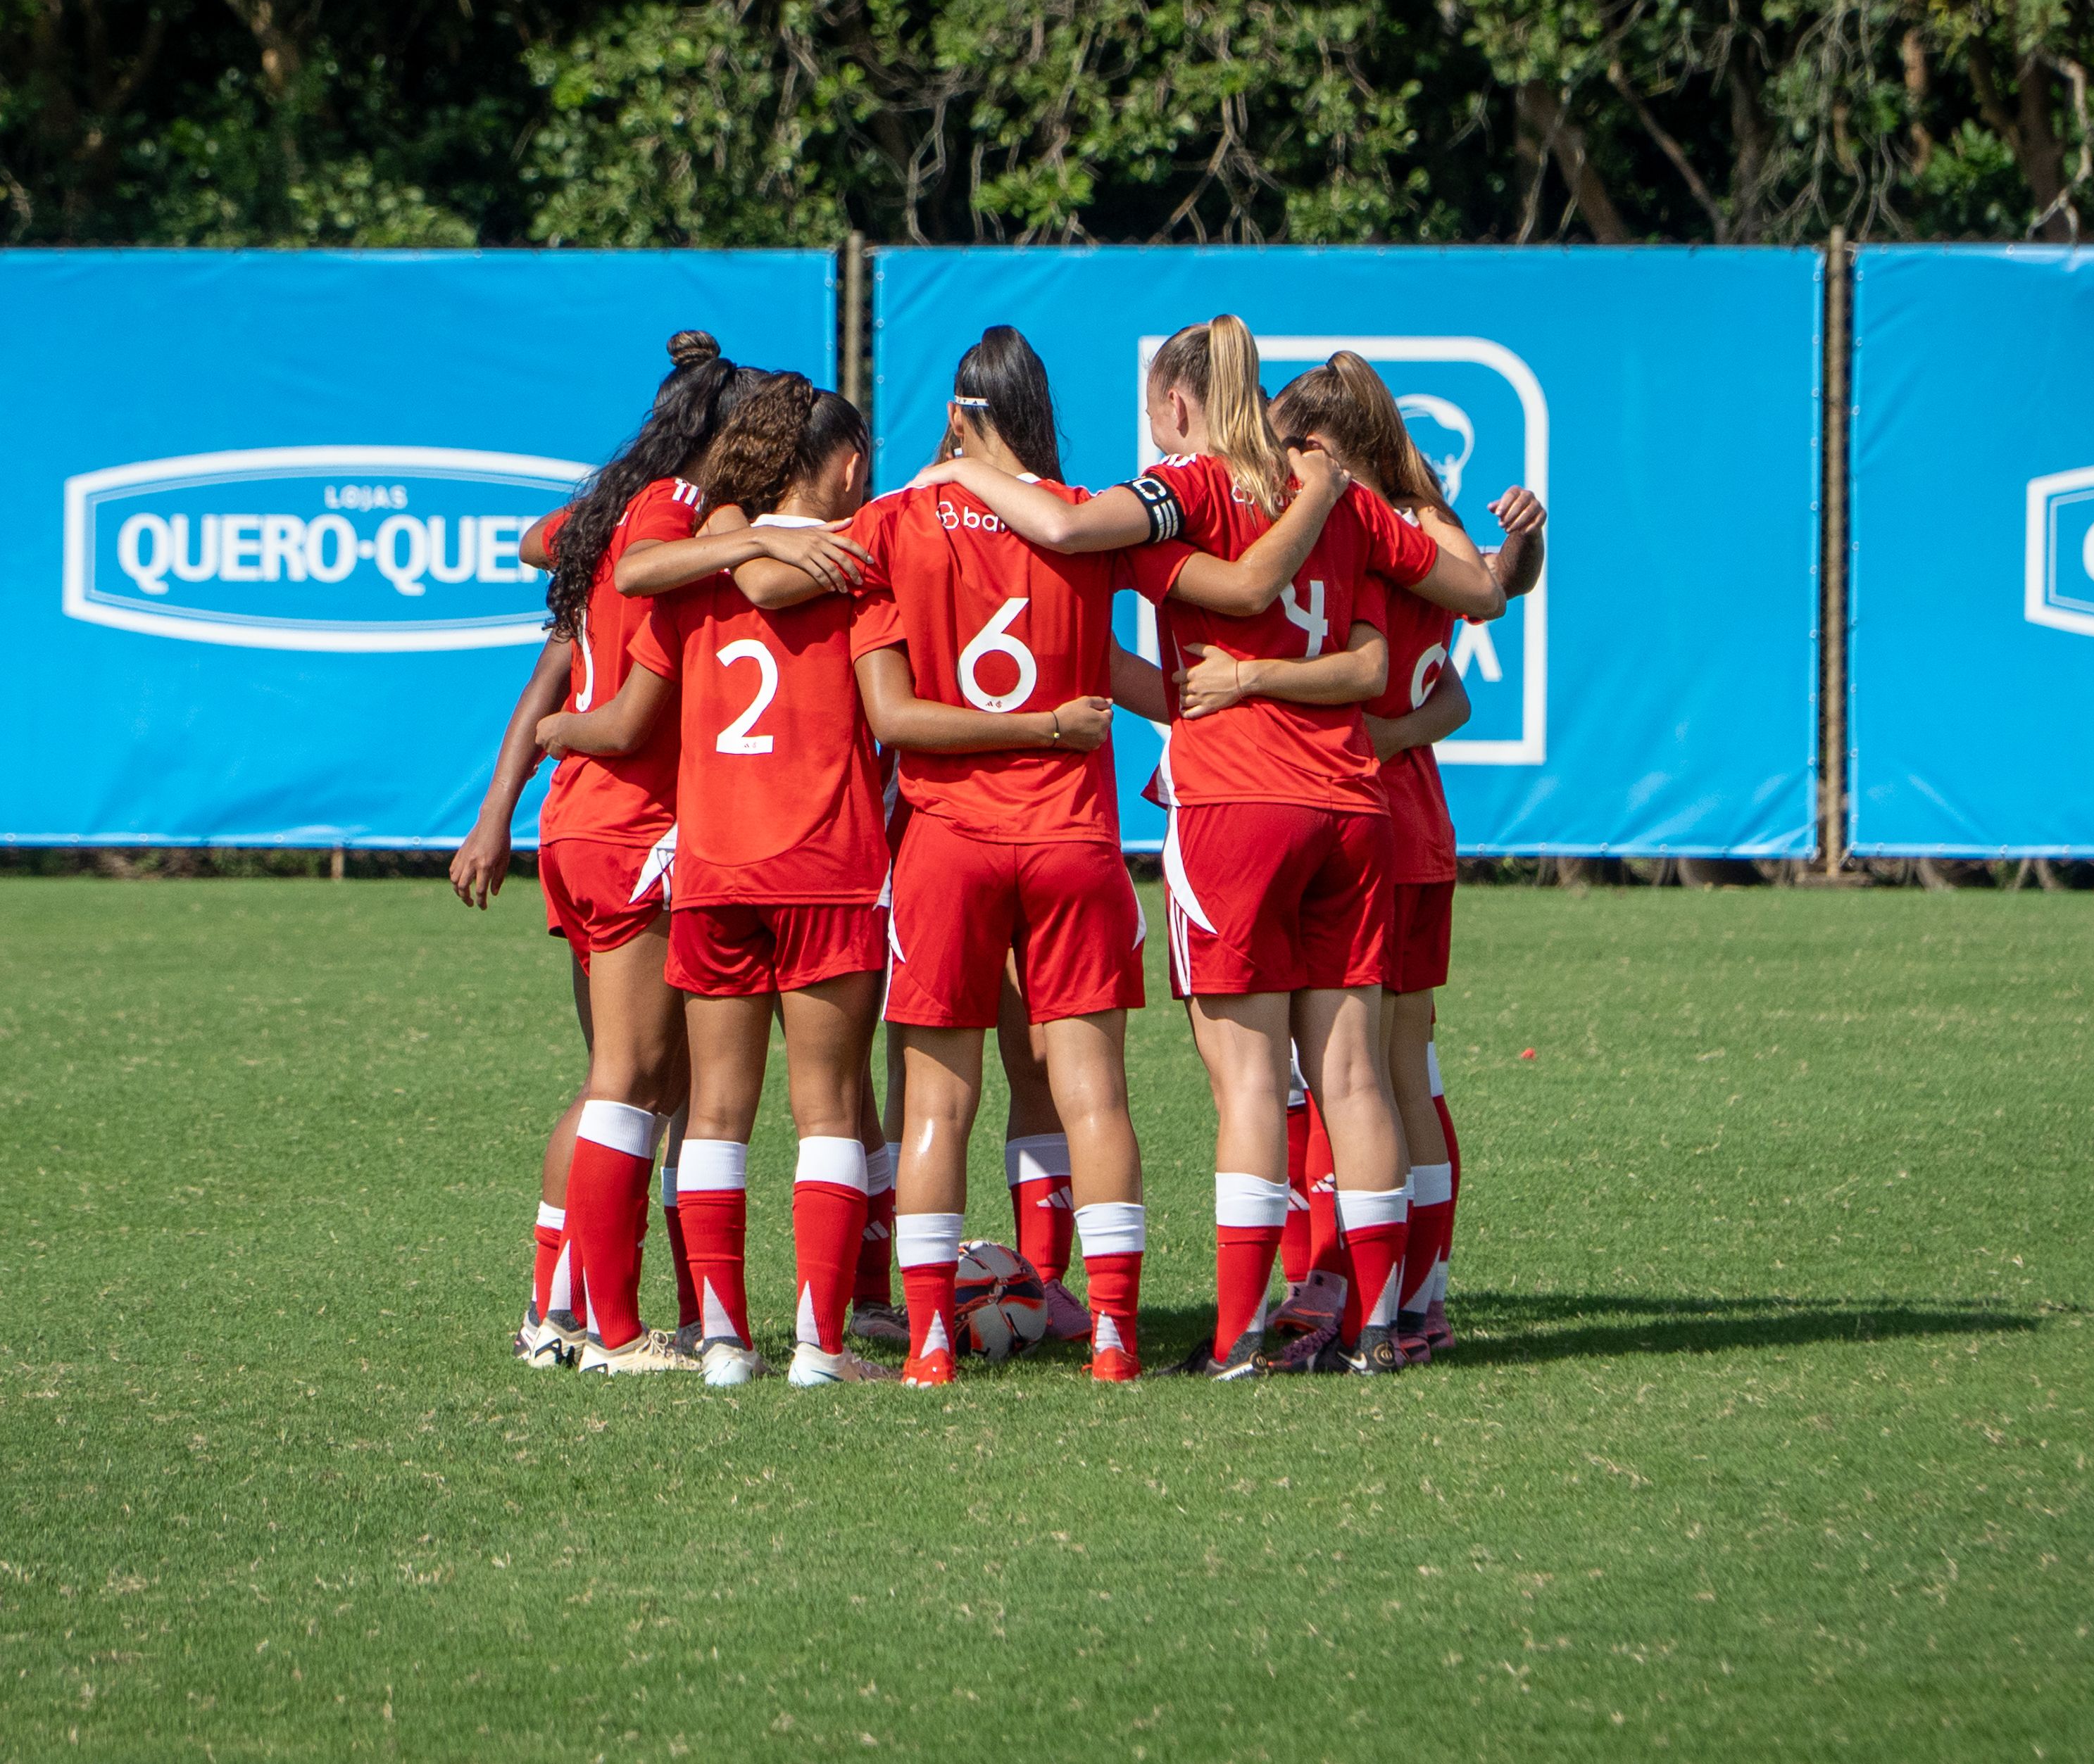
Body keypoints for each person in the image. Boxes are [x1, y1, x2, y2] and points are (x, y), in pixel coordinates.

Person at [737, 324, 1341, 1382]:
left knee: (938, 1104)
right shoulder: (1082, 520)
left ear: (958, 416)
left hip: (947, 843)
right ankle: (1110, 1335)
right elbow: (1226, 594)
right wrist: (1204, 697)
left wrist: (750, 532)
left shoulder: (897, 519)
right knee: (1093, 1094)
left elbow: (774, 591)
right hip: (1072, 840)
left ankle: (928, 1343)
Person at [910, 314, 1500, 1377]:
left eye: (1154, 415)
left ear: (1178, 406)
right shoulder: (1346, 496)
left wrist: (962, 471)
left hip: (1238, 804)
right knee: (1355, 1079)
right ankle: (1374, 1330)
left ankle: (1239, 1335)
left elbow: (1074, 533)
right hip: (1354, 806)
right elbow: (1477, 593)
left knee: (1248, 1085)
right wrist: (1340, 501)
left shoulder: (1184, 489)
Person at [536, 377, 898, 1388]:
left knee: (713, 1114)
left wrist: (739, 537)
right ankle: (824, 1347)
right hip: (824, 863)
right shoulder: (862, 556)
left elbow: (616, 584)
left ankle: (724, 1345)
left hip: (710, 869)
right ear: (850, 467)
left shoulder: (684, 573)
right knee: (827, 1108)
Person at [451, 329, 741, 1373]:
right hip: (630, 822)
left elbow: (541, 553)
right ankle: (598, 1329)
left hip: (579, 823)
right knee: (634, 1080)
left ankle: (558, 1311)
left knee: (623, 1080)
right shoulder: (673, 518)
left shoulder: (617, 520)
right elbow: (596, 704)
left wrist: (498, 811)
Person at [1267, 352, 1546, 1364]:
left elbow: (1394, 664)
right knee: (1402, 1073)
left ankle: (1342, 1295)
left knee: (1334, 1074)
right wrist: (1523, 552)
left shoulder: (1362, 532)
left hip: (1356, 823)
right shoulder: (1426, 524)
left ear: (1326, 447)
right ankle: (1411, 1301)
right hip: (1415, 826)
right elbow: (1480, 624)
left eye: (1290, 445)